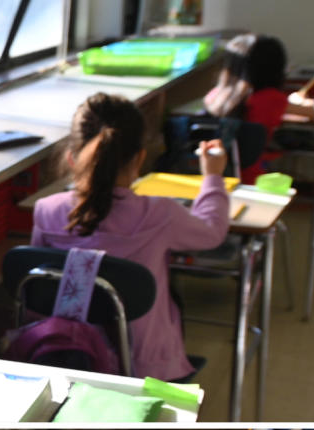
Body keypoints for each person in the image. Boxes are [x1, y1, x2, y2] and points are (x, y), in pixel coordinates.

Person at [31, 93, 231, 382]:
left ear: (72, 158)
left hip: (66, 356)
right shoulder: (161, 214)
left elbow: (39, 289)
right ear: (139, 158)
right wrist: (212, 177)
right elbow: (212, 231)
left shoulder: (45, 211)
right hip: (144, 366)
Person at [203, 34, 314, 184]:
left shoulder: (214, 96)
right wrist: (304, 102)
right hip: (250, 176)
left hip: (212, 173)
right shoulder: (272, 98)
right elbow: (312, 113)